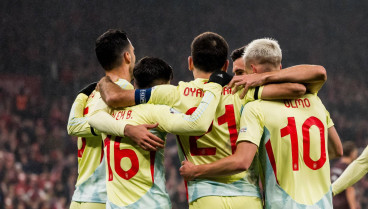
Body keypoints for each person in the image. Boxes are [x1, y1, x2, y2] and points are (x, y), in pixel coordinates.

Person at [97, 32, 329, 209]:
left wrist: (106, 80)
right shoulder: (243, 91)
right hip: (247, 197)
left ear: (190, 63)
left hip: (204, 196)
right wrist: (260, 79)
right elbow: (297, 88)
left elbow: (116, 98)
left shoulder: (173, 93)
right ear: (226, 65)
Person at [179, 38, 343, 209]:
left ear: (252, 71)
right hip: (323, 204)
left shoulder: (255, 108)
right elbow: (337, 150)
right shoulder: (313, 99)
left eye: (241, 73)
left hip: (282, 203)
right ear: (280, 68)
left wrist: (196, 170)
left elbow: (241, 161)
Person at [87, 56, 231, 209]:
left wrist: (105, 82)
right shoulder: (156, 112)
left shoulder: (108, 112)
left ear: (135, 82)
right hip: (152, 204)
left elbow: (93, 117)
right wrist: (214, 86)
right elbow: (197, 123)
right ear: (162, 87)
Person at [67, 29, 162, 209]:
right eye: (133, 52)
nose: (134, 56)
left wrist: (80, 96)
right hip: (102, 199)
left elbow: (73, 126)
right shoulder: (124, 93)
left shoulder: (90, 95)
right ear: (127, 56)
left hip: (79, 198)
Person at [331, 141, 359, 209]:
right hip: (344, 205)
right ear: (352, 153)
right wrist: (353, 207)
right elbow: (350, 190)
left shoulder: (335, 166)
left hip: (333, 204)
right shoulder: (349, 168)